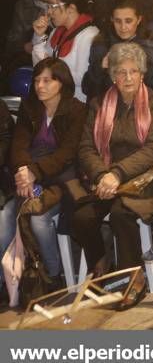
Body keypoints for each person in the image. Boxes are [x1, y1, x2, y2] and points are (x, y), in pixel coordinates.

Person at [73, 42, 153, 307]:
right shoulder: (99, 103)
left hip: (144, 181)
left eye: (133, 71)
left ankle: (134, 279)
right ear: (113, 75)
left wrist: (117, 174)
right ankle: (101, 264)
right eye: (121, 72)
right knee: (80, 217)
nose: (127, 78)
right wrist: (103, 175)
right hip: (105, 178)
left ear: (142, 73)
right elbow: (86, 148)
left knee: (120, 214)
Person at [1, 59, 86, 288]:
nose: (40, 86)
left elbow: (67, 153)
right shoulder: (30, 107)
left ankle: (52, 275)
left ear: (62, 82)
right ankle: (7, 282)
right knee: (4, 218)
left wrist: (33, 173)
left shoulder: (76, 110)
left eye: (47, 80)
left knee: (40, 220)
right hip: (27, 178)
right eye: (37, 80)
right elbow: (18, 145)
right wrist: (22, 171)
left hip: (61, 179)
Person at [83, 0, 153, 102]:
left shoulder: (151, 43)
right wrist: (101, 67)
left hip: (146, 106)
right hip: (109, 107)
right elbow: (87, 88)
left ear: (139, 20)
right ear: (111, 20)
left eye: (128, 21)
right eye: (118, 21)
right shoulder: (102, 44)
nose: (123, 27)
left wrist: (141, 66)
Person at [31, 0, 100, 103]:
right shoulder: (56, 32)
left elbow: (83, 78)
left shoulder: (89, 35)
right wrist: (39, 36)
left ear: (71, 9)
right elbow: (39, 68)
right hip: (54, 100)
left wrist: (51, 69)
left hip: (76, 104)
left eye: (54, 6)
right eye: (49, 6)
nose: (49, 12)